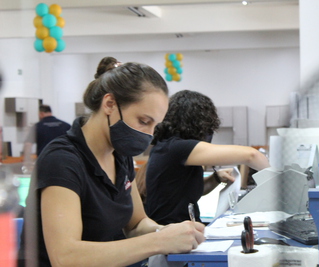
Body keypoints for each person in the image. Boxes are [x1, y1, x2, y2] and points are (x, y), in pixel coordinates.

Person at [18, 60, 205, 267]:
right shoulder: (62, 160)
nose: (149, 135)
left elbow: (136, 224)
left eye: (155, 125)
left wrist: (167, 231)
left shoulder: (120, 155)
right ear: (109, 104)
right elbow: (66, 257)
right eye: (144, 121)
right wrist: (159, 241)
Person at [145, 90, 270, 225]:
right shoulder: (177, 148)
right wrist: (278, 181)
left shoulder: (166, 147)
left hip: (182, 227)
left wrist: (216, 178)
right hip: (171, 231)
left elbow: (186, 193)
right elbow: (251, 155)